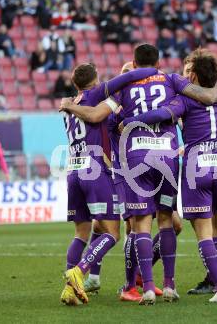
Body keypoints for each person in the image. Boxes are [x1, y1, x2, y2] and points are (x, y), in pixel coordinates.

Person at [59, 43, 217, 305]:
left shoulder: (122, 88)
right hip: (165, 157)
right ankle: (164, 285)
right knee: (165, 221)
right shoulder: (171, 80)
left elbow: (97, 115)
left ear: (133, 61)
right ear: (158, 61)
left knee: (136, 226)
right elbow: (207, 97)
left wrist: (69, 105)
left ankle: (145, 287)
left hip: (132, 161)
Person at [120, 49, 217, 302]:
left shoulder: (186, 101)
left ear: (192, 76)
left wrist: (132, 120)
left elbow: (162, 114)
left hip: (196, 169)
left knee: (202, 232)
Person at [59, 63, 158, 306]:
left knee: (81, 234)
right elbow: (125, 83)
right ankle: (79, 272)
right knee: (113, 233)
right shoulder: (98, 97)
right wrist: (152, 72)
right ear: (96, 81)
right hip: (96, 169)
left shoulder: (68, 106)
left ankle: (70, 289)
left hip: (74, 169)